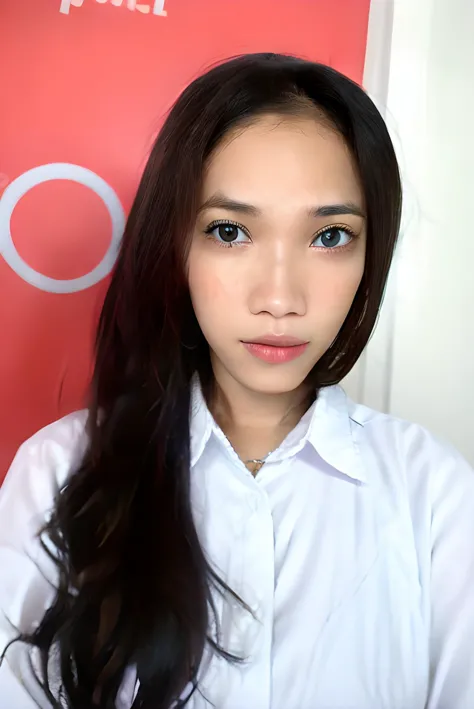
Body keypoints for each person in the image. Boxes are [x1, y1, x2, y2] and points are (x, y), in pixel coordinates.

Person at [0, 53, 473, 709]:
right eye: (229, 231)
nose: (280, 297)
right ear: (174, 245)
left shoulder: (436, 495)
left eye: (330, 235)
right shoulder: (57, 473)